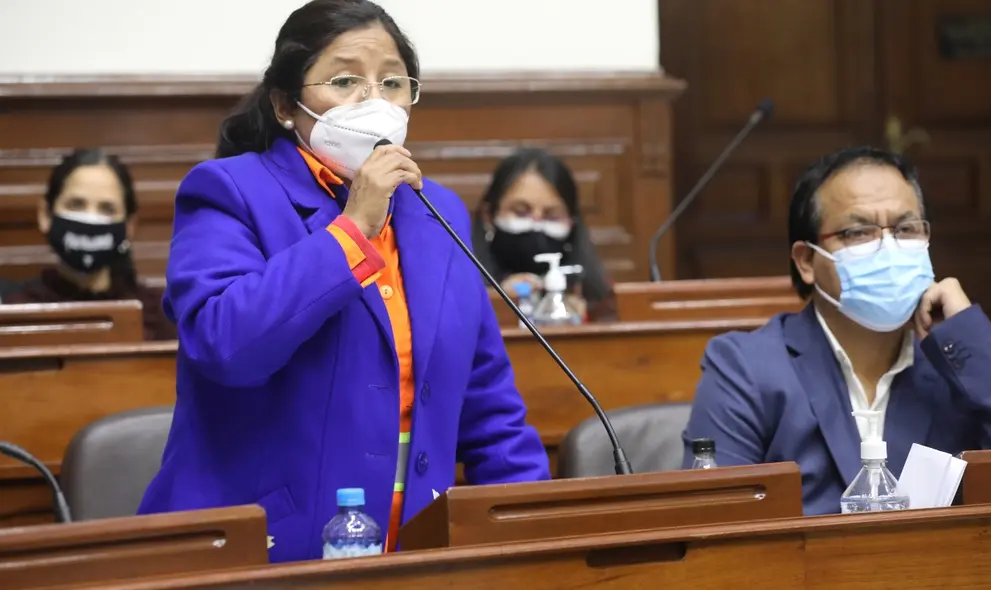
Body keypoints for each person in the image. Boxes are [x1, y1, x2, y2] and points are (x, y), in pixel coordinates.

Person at [137, 0, 549, 563]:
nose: (374, 100)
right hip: (259, 549)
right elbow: (225, 344)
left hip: (414, 549)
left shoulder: (439, 214)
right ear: (286, 104)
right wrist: (353, 228)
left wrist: (531, 533)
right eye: (345, 80)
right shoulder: (229, 192)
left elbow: (489, 405)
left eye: (392, 82)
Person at [682, 146, 991, 515]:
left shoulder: (960, 362)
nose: (888, 247)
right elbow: (713, 524)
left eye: (906, 229)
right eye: (859, 232)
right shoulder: (746, 368)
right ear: (806, 261)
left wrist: (971, 339)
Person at [2, 149, 176, 341]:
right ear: (45, 214)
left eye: (107, 209)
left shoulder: (161, 318)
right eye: (76, 205)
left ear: (129, 226)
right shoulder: (13, 310)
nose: (90, 219)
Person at [472, 148, 617, 322]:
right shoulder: (462, 289)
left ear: (572, 222)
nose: (536, 224)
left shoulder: (598, 296)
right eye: (520, 212)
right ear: (489, 216)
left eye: (552, 216)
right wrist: (496, 305)